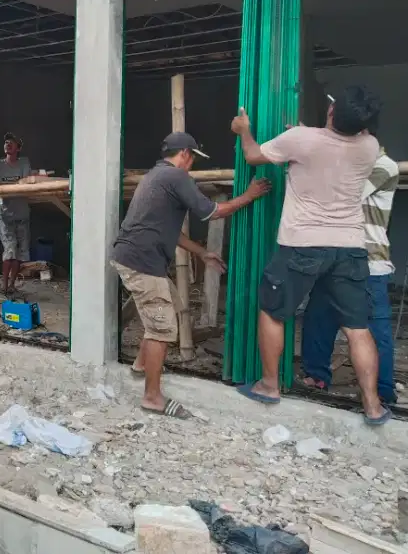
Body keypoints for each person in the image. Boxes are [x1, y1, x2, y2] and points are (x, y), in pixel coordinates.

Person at [231, 85, 389, 425]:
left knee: (273, 312)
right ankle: (374, 406)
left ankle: (269, 385)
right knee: (357, 328)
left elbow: (253, 156)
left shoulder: (302, 139)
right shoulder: (370, 147)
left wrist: (244, 132)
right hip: (350, 247)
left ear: (331, 113)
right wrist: (303, 137)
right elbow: (330, 146)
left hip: (302, 242)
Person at [111, 132, 271, 419]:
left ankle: (140, 366)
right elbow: (213, 212)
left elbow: (169, 229)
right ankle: (152, 397)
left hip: (135, 258)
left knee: (169, 306)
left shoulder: (155, 176)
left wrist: (201, 252)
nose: (192, 164)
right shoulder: (176, 177)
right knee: (161, 328)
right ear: (185, 153)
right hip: (142, 262)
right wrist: (249, 196)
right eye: (193, 157)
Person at [300, 127, 399, 405]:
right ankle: (316, 376)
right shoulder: (348, 164)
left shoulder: (384, 166)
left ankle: (382, 390)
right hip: (333, 256)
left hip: (369, 262)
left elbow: (348, 191)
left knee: (374, 329)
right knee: (318, 318)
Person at [0, 133, 51, 294]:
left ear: (18, 148)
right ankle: (4, 283)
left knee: (20, 253)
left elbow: (28, 180)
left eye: (12, 143)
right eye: (6, 142)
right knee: (9, 250)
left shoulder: (23, 163)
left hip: (22, 214)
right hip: (5, 214)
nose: (8, 144)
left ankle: (12, 284)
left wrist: (38, 174)